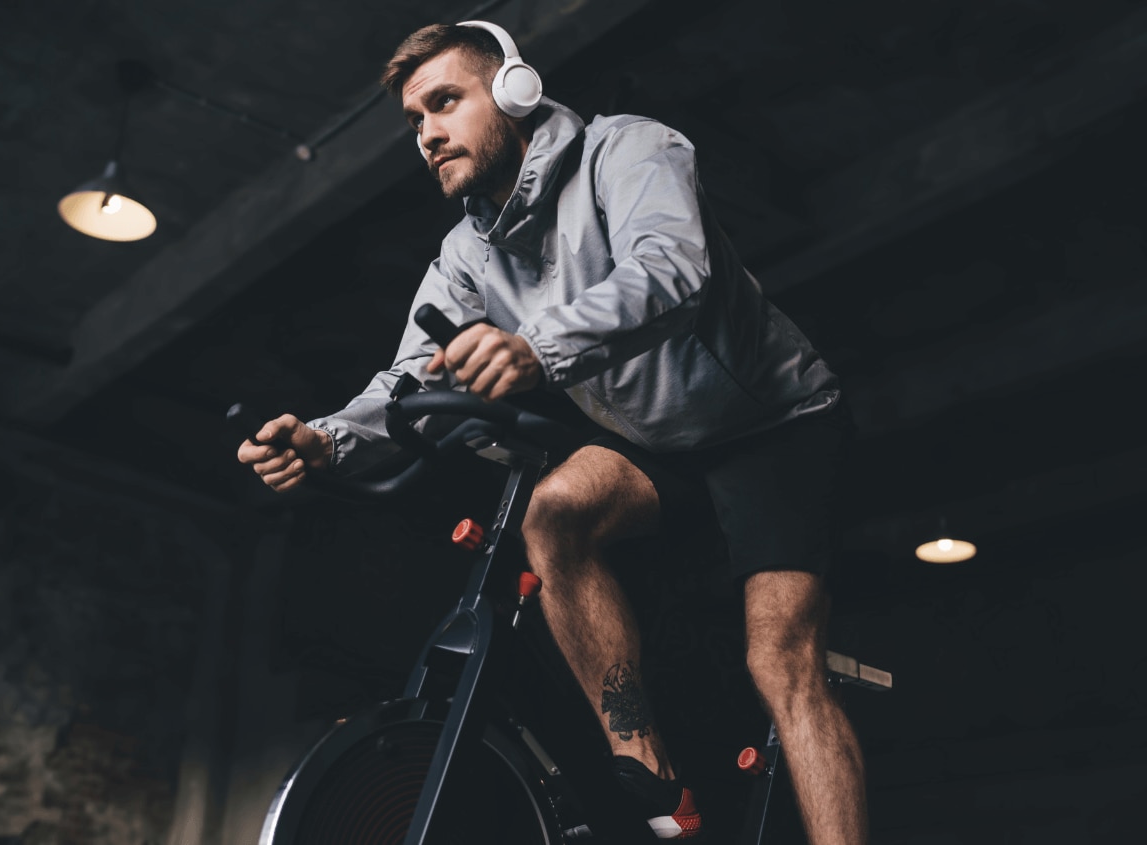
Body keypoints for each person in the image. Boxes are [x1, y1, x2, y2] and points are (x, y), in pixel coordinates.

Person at [237, 20, 868, 844]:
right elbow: (409, 376)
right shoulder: (465, 252)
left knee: (781, 665)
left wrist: (536, 346)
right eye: (414, 121)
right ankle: (642, 760)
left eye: (445, 103)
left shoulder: (629, 150)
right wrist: (324, 440)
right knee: (553, 512)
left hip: (770, 423)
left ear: (513, 90)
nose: (427, 133)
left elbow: (668, 269)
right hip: (653, 436)